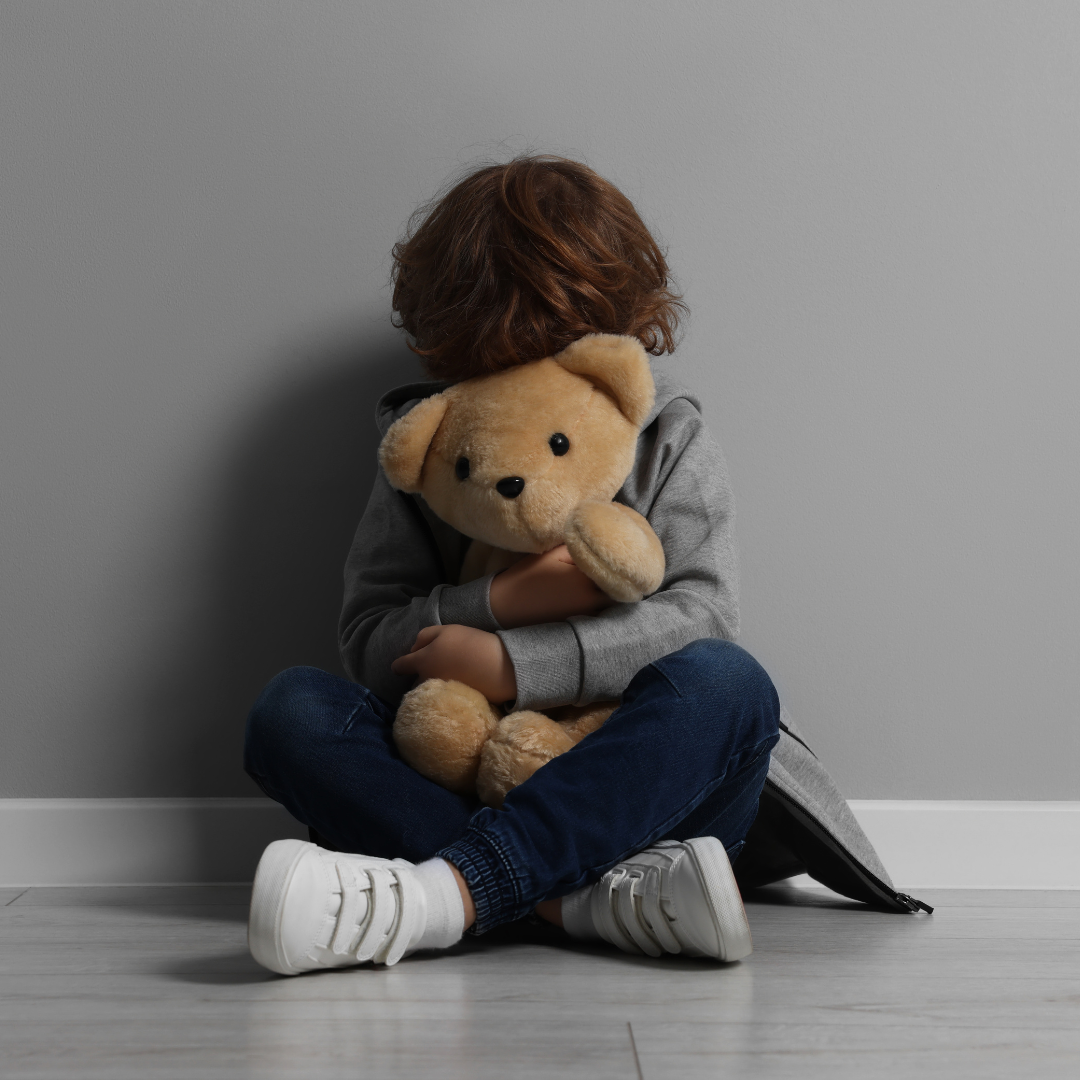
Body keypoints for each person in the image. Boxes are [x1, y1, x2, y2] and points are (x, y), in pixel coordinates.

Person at [243, 156, 781, 975]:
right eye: (493, 367)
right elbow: (368, 638)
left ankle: (438, 899)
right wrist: (500, 601)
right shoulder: (424, 446)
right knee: (291, 713)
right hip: (457, 773)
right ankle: (587, 903)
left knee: (729, 687)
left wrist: (511, 663)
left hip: (640, 787)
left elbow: (705, 618)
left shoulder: (669, 435)